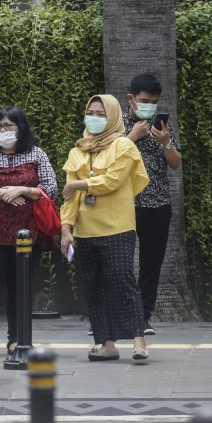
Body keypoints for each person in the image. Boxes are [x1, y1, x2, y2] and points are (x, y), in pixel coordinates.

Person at [60, 95, 151, 361]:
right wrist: (66, 229)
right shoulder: (77, 152)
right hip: (85, 231)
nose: (95, 118)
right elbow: (69, 198)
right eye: (91, 112)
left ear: (112, 116)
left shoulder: (123, 145)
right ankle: (106, 343)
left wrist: (80, 185)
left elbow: (112, 181)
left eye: (101, 113)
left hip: (117, 227)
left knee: (123, 281)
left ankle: (139, 341)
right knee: (93, 286)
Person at [0, 107, 58, 357]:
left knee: (21, 285)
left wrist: (22, 190)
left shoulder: (36, 154)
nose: (3, 131)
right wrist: (0, 193)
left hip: (27, 232)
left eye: (9, 126)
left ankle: (17, 339)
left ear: (21, 129)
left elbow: (50, 187)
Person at [122, 73, 182, 335]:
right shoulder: (116, 123)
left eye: (154, 101)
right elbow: (105, 156)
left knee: (151, 264)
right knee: (118, 262)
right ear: (131, 99)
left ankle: (142, 317)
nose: (149, 106)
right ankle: (114, 316)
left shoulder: (161, 125)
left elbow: (175, 162)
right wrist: (132, 135)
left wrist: (166, 142)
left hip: (157, 203)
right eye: (144, 100)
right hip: (122, 203)